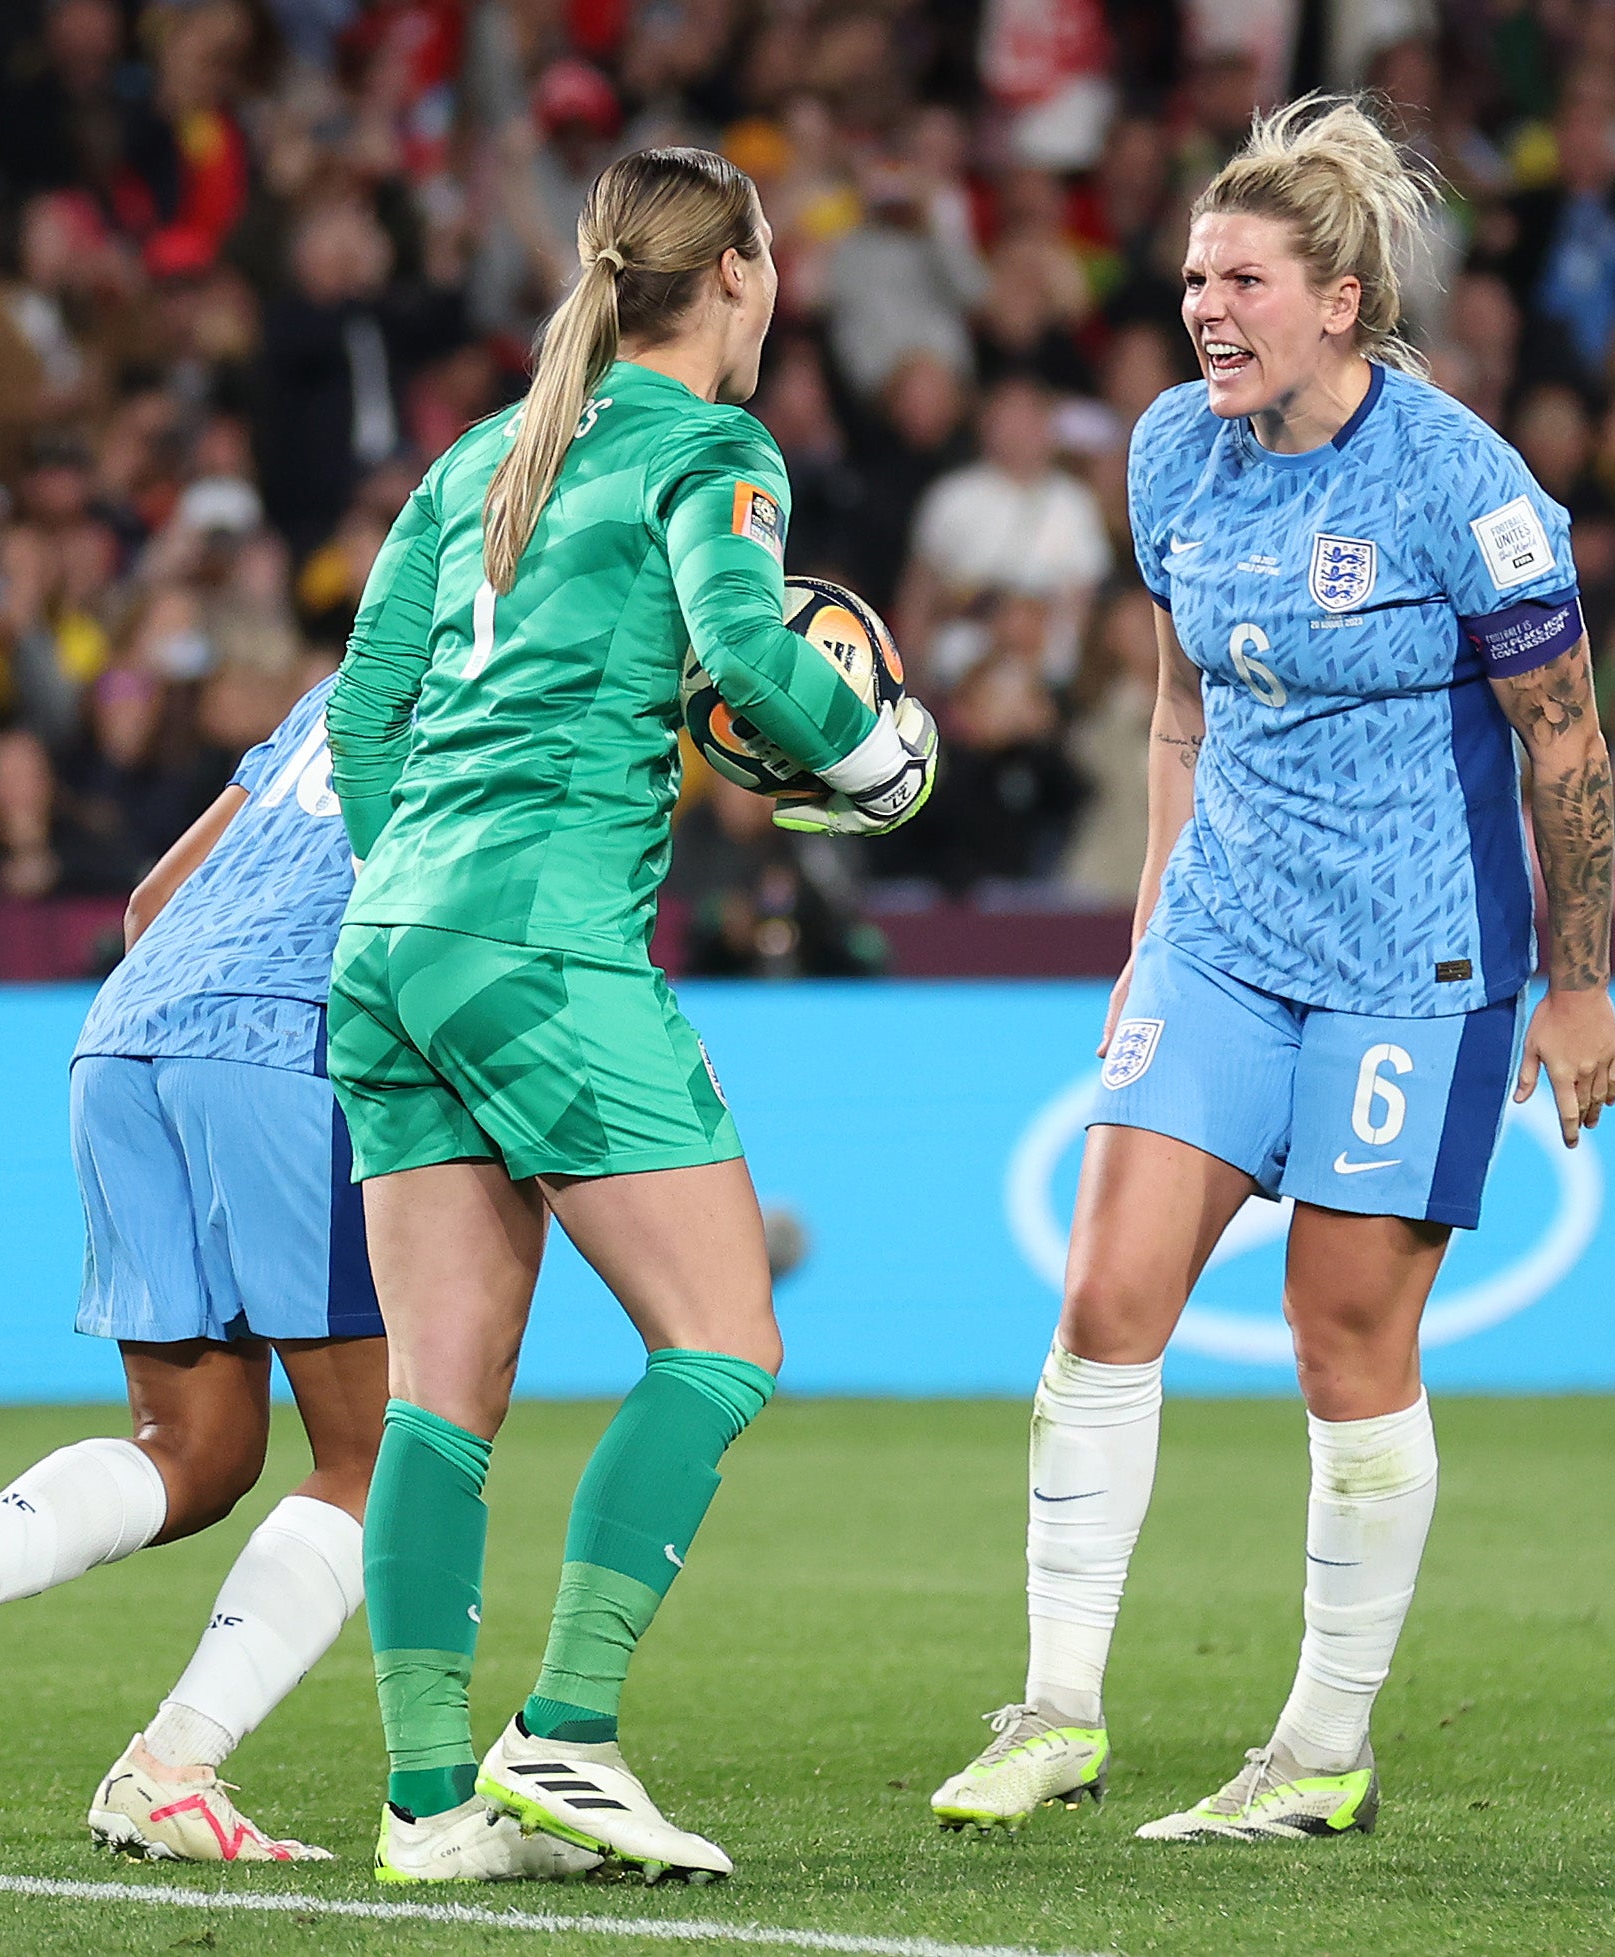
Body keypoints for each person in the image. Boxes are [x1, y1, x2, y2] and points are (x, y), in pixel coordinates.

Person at [927, 97, 1615, 1844]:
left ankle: (1318, 1748)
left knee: (1340, 1334)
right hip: (1225, 943)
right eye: (1190, 279)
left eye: (1240, 277)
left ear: (1343, 296)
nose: (1204, 309)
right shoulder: (1173, 451)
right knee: (1105, 1299)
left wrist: (1581, 979)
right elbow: (1177, 710)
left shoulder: (1467, 489)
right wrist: (1151, 928)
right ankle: (1057, 1709)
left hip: (1417, 962)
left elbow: (1571, 751)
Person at [324, 146, 937, 1884]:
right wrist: (875, 755)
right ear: (742, 271)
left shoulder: (476, 460)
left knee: (446, 1392)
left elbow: (366, 720)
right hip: (542, 943)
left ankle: (432, 1804)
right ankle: (566, 1733)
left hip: (391, 940)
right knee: (727, 1339)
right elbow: (746, 654)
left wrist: (430, 897)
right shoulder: (710, 446)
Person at [0, 676, 420, 1867]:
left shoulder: (346, 684)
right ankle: (171, 1767)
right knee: (379, 1457)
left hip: (127, 1030)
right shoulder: (537, 675)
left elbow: (155, 897)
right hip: (294, 1039)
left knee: (195, 1453)